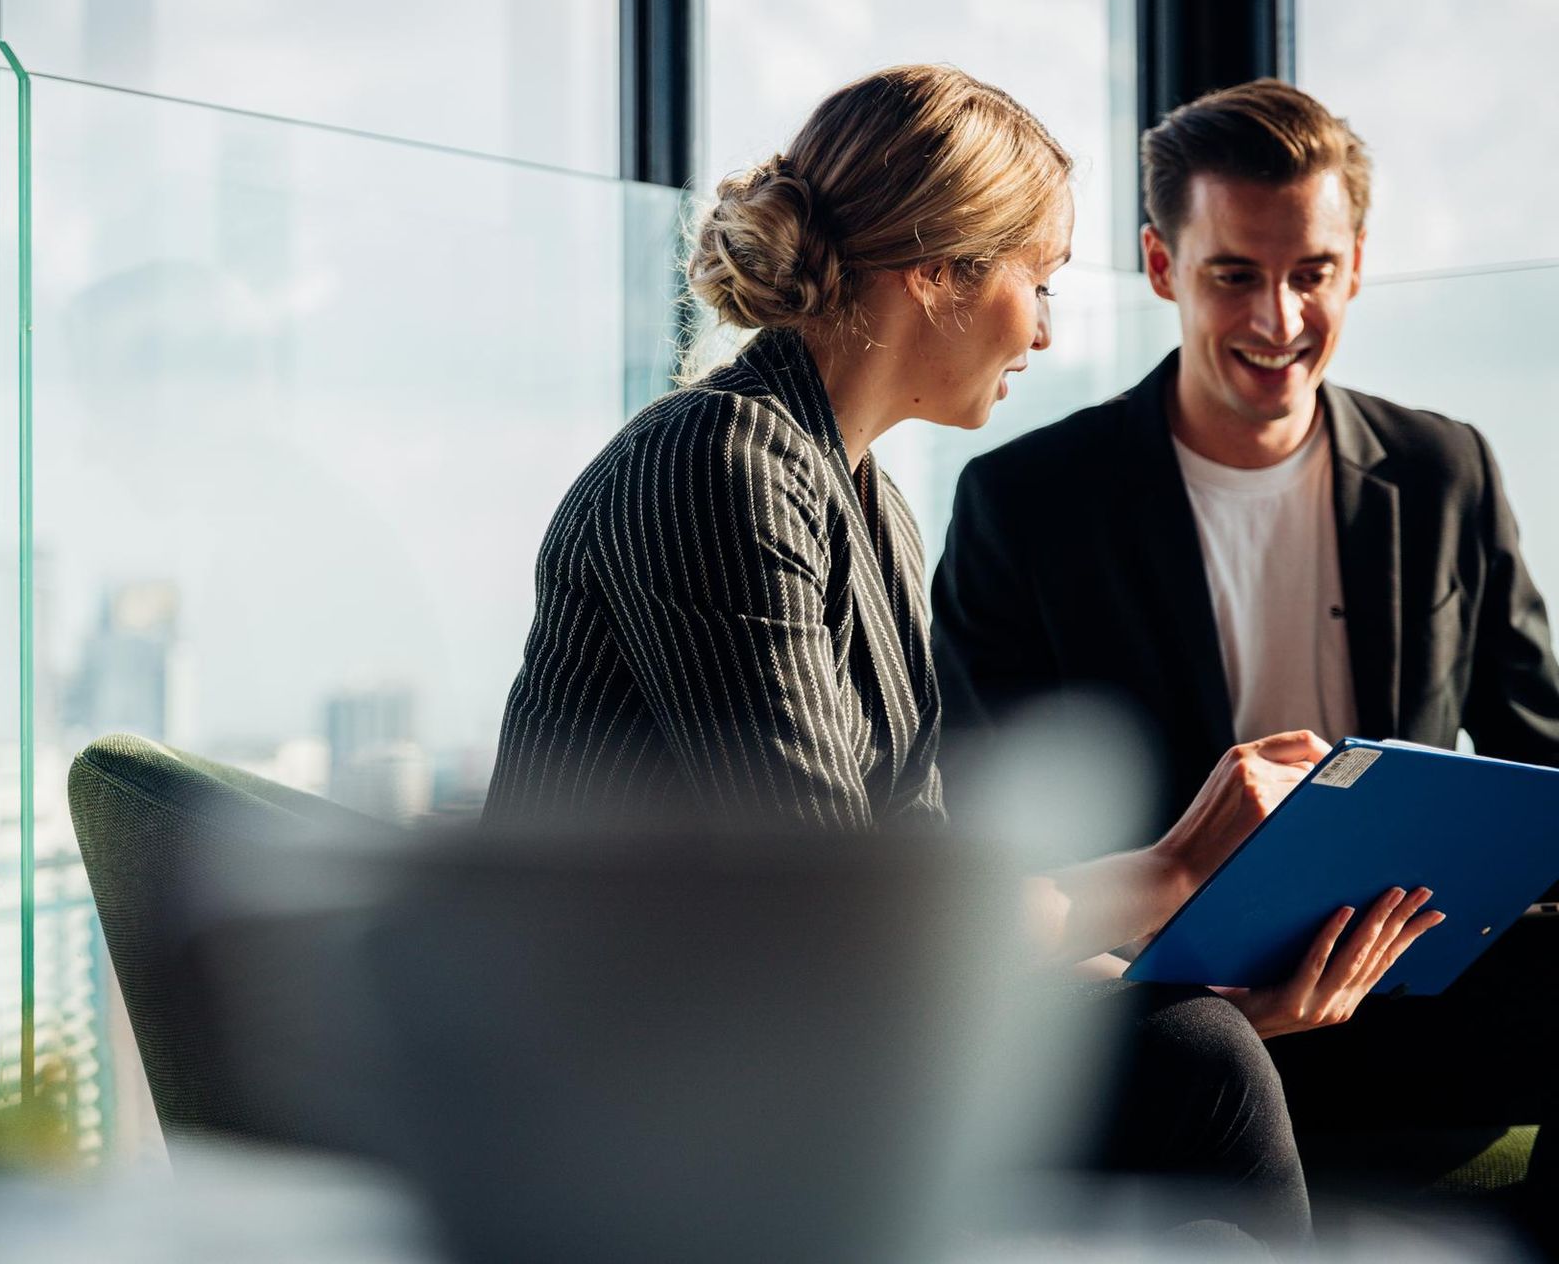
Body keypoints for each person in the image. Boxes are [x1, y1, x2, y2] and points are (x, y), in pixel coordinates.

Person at [483, 65, 1439, 1247]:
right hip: (640, 1087)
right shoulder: (717, 464)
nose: (1044, 327)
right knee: (1195, 1065)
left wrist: (1195, 983)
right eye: (1036, 281)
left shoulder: (867, 507)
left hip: (798, 1050)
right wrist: (1177, 866)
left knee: (1199, 1043)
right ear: (934, 272)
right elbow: (858, 927)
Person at [929, 79, 1557, 1236]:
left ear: (1357, 264)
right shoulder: (1027, 504)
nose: (1279, 318)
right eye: (1235, 275)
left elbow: (1539, 753)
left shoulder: (1445, 468)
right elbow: (993, 822)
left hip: (1412, 982)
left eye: (1312, 272)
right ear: (1163, 265)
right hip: (1172, 1012)